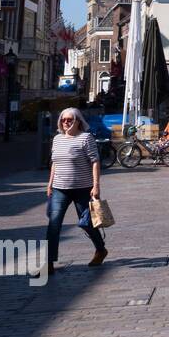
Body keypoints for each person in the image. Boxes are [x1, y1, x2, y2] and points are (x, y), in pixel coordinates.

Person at [46, 107, 109, 269]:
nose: (65, 123)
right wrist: (50, 184)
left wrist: (96, 186)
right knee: (54, 224)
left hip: (83, 188)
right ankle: (48, 263)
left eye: (69, 120)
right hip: (60, 188)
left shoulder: (85, 138)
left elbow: (95, 161)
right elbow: (55, 163)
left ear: (78, 121)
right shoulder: (57, 139)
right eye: (63, 120)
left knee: (87, 223)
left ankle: (100, 250)